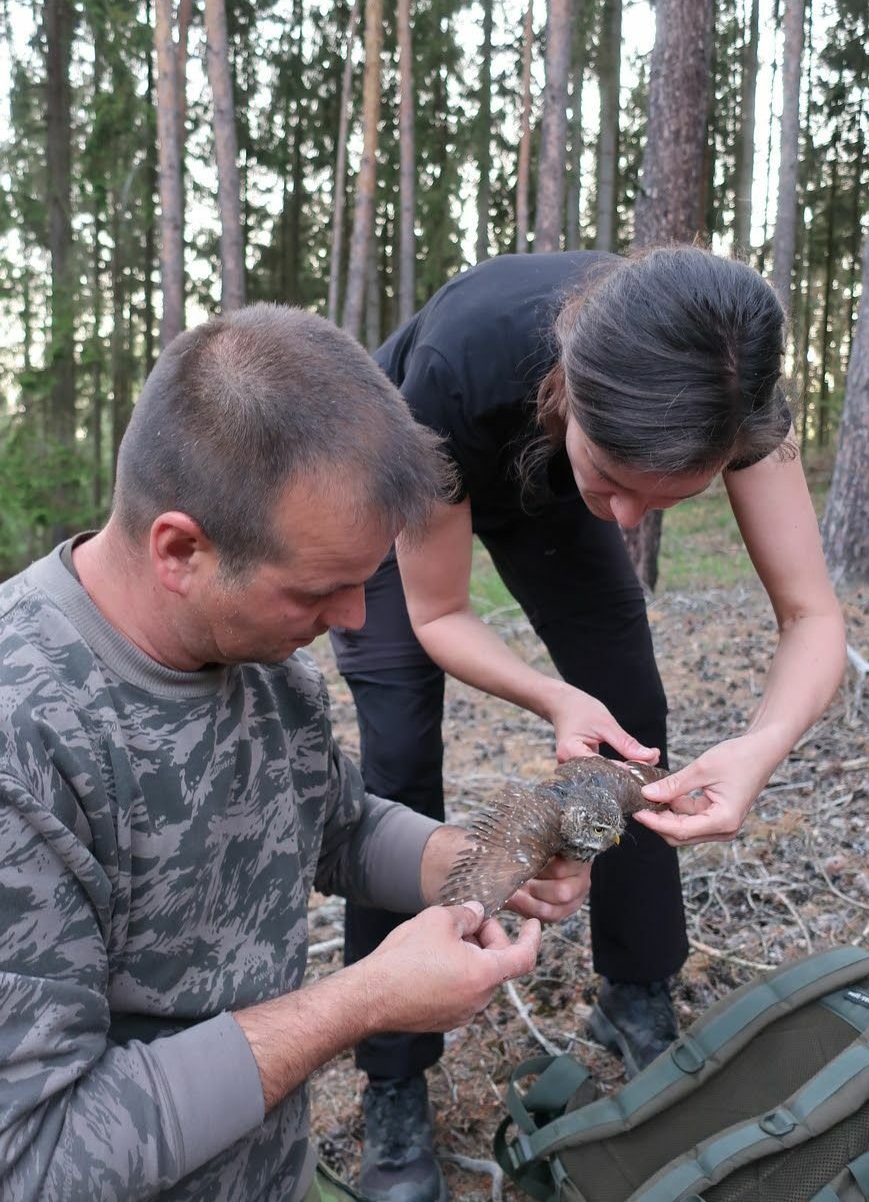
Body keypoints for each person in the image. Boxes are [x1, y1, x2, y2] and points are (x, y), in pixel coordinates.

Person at [0, 304, 594, 1202]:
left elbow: (336, 831)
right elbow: (34, 1156)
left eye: (367, 582)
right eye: (320, 590)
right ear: (180, 550)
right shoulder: (26, 737)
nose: (353, 621)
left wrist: (481, 865)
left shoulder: (267, 667)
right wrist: (364, 1001)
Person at [330, 245, 847, 1202]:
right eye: (614, 483)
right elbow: (440, 614)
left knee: (633, 726)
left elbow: (813, 617)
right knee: (398, 765)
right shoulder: (457, 364)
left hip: (548, 467)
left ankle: (637, 993)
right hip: (413, 466)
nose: (625, 522)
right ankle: (394, 1081)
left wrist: (762, 750)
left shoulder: (728, 390)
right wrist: (551, 696)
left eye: (665, 502)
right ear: (572, 390)